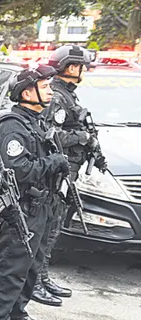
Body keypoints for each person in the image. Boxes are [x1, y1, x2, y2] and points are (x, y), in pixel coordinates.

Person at [0, 65, 68, 320]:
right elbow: (17, 169)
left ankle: (17, 311)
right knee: (12, 264)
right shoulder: (13, 125)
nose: (50, 91)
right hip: (23, 206)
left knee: (31, 264)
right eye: (44, 87)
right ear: (27, 92)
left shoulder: (38, 121)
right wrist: (51, 163)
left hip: (43, 205)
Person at [38, 45, 95, 304]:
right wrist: (82, 137)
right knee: (49, 226)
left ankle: (42, 276)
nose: (84, 70)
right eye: (82, 66)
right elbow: (51, 134)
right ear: (72, 67)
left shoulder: (68, 95)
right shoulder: (58, 97)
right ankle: (36, 279)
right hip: (58, 171)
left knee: (55, 224)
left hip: (67, 170)